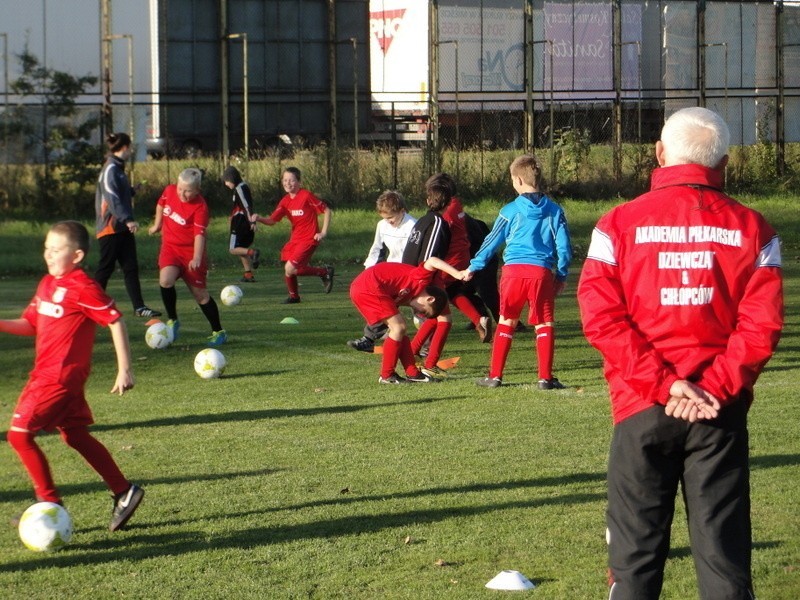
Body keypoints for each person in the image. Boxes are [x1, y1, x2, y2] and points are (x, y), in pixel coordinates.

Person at [577, 107, 783, 599]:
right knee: (723, 558)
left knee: (634, 561)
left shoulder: (618, 225)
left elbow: (602, 318)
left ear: (659, 153)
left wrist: (665, 384)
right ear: (726, 163)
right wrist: (712, 387)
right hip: (719, 411)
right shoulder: (754, 229)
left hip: (641, 405)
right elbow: (761, 326)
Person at [3, 221, 144, 532]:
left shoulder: (83, 287)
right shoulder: (46, 284)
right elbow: (31, 325)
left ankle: (49, 503)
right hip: (50, 376)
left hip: (58, 379)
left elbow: (115, 321)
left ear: (77, 255)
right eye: (46, 249)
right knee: (75, 435)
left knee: (18, 435)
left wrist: (125, 369)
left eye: (56, 250)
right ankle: (124, 490)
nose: (48, 255)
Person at [461, 154, 572, 390]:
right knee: (544, 323)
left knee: (506, 320)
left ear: (518, 181)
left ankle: (495, 376)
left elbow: (491, 242)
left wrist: (473, 266)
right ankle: (545, 378)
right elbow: (564, 247)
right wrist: (561, 274)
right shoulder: (554, 211)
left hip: (513, 272)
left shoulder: (510, 211)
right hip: (540, 273)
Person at [349, 256, 467, 384]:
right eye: (423, 311)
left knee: (399, 330)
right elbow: (432, 261)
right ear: (430, 299)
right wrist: (457, 273)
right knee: (399, 327)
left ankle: (413, 373)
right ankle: (387, 375)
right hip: (369, 287)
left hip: (368, 287)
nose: (418, 312)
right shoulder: (421, 279)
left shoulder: (409, 295)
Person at [148, 168, 227, 346]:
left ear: (198, 190)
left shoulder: (200, 207)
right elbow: (161, 205)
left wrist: (197, 257)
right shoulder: (169, 191)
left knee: (201, 296)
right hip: (170, 249)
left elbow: (200, 235)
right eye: (180, 189)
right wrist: (157, 225)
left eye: (188, 191)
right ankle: (173, 320)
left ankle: (218, 331)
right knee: (165, 280)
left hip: (190, 253)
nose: (182, 194)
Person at [94, 132, 161, 318]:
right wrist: (127, 218)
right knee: (105, 269)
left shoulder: (118, 168)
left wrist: (132, 190)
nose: (131, 150)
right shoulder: (110, 169)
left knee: (131, 267)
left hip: (122, 228)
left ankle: (139, 307)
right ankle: (91, 305)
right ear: (124, 147)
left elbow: (119, 194)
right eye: (130, 147)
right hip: (110, 228)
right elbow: (111, 197)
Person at [347, 190, 417, 353]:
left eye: (391, 218)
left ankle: (422, 345)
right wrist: (368, 270)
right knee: (381, 304)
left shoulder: (413, 226)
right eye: (385, 218)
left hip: (407, 274)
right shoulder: (382, 225)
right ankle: (371, 338)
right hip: (387, 273)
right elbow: (377, 249)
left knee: (418, 310)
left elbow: (416, 253)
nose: (388, 222)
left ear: (402, 211)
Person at [252, 167, 333, 304]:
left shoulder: (306, 195)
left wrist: (323, 232)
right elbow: (272, 220)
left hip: (309, 239)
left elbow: (327, 210)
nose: (287, 183)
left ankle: (324, 272)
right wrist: (258, 218)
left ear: (299, 182)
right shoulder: (285, 201)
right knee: (289, 270)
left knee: (290, 267)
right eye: (285, 180)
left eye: (291, 180)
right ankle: (294, 297)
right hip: (295, 240)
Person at [222, 165, 261, 283]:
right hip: (242, 221)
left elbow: (246, 206)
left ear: (232, 178)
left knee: (233, 249)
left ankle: (253, 253)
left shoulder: (240, 188)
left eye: (227, 181)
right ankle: (248, 274)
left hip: (240, 222)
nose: (226, 184)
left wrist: (251, 221)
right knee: (241, 248)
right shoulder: (242, 187)